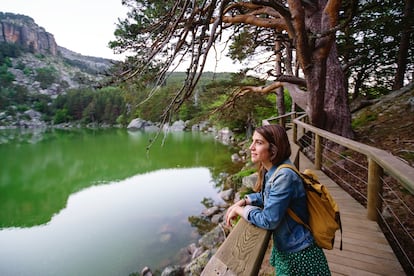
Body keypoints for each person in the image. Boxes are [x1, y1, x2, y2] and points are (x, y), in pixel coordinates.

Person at [225, 124, 331, 275]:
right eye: (253, 141)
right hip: (290, 247)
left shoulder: (284, 176)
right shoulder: (274, 170)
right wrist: (246, 200)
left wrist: (241, 210)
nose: (251, 147)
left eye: (259, 143)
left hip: (300, 255)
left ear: (274, 149)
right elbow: (269, 196)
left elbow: (269, 220)